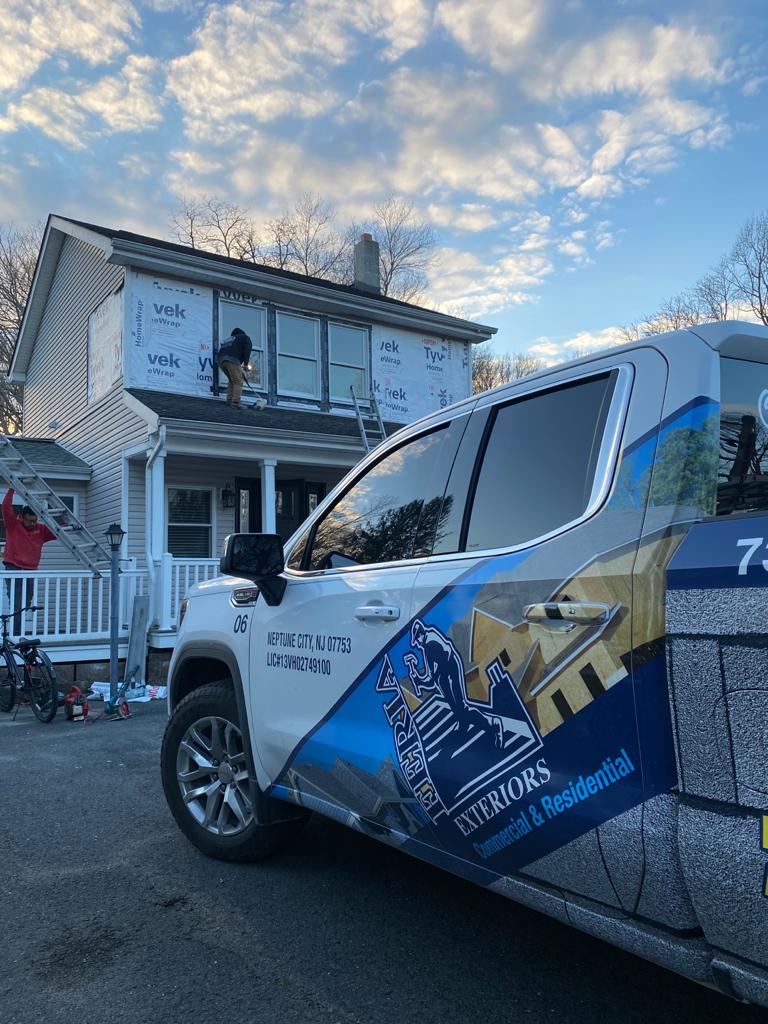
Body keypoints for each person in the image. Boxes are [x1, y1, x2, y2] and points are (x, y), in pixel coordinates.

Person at [2, 489, 56, 634]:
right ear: (21, 517)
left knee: (27, 600)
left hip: (30, 569)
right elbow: (6, 507)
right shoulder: (13, 525)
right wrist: (12, 489)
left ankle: (13, 628)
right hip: (13, 566)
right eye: (29, 521)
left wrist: (67, 523)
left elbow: (58, 531)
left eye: (35, 520)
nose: (33, 524)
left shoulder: (41, 529)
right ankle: (15, 633)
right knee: (17, 601)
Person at [218, 327, 253, 409]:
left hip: (221, 361)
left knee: (232, 380)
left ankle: (229, 400)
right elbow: (247, 350)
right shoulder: (245, 337)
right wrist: (246, 364)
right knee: (238, 381)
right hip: (232, 360)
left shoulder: (229, 339)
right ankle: (236, 402)